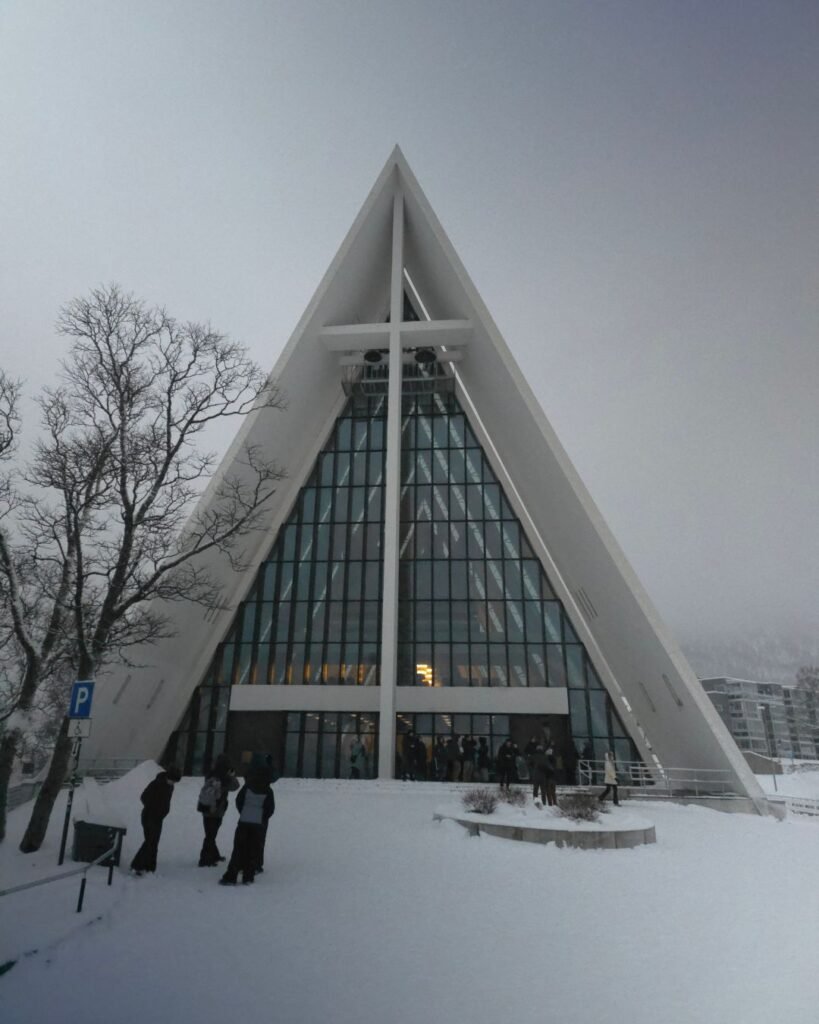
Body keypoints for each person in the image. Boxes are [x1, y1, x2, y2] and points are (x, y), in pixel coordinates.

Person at [220, 768, 275, 885]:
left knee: (238, 848)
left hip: (244, 821)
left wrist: (243, 812)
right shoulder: (268, 790)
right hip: (258, 824)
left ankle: (231, 875)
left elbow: (238, 800)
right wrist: (262, 817)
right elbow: (270, 808)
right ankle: (248, 876)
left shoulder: (248, 787)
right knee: (253, 849)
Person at [131, 765, 181, 875]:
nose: (173, 783)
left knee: (153, 842)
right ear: (168, 777)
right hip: (149, 816)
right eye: (172, 780)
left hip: (158, 818)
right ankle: (138, 865)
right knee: (150, 841)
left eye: (175, 781)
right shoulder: (156, 784)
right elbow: (143, 796)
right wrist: (153, 808)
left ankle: (150, 866)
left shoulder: (170, 787)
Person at [198, 753, 239, 867]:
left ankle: (214, 854)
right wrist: (232, 775)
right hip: (217, 809)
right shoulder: (225, 778)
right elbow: (235, 786)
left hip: (206, 807)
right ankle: (205, 859)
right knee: (211, 834)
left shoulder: (210, 774)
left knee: (210, 833)